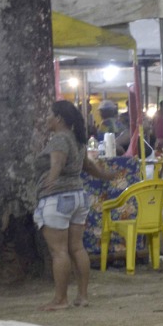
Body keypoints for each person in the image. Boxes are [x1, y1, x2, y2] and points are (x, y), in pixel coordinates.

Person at [34, 100, 118, 312]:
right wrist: (106, 176)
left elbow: (57, 163)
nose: (47, 118)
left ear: (59, 119)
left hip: (57, 198)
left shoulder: (60, 139)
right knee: (77, 248)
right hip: (79, 196)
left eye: (49, 114)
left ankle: (60, 299)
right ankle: (82, 295)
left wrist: (50, 180)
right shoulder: (78, 140)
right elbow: (88, 166)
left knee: (59, 251)